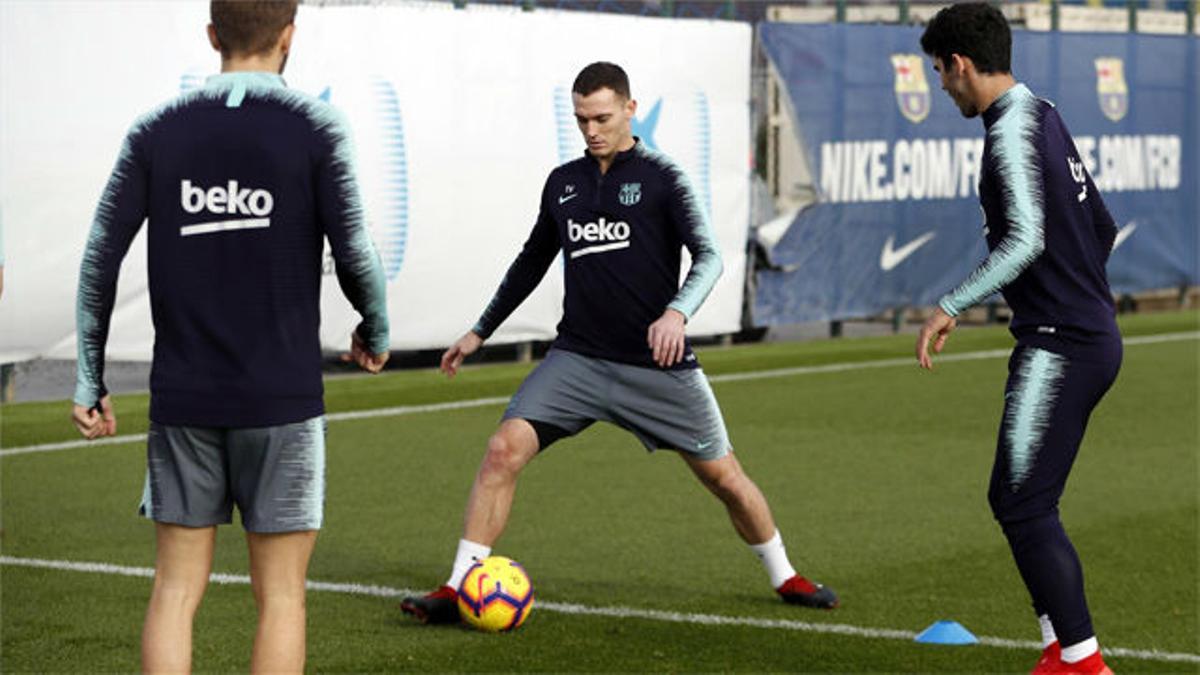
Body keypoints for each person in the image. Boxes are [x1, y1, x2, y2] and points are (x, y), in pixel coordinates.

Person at [401, 62, 837, 625]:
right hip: (577, 359)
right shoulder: (563, 183)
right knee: (502, 451)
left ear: (631, 109)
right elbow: (532, 262)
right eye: (581, 119)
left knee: (723, 477)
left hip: (656, 366)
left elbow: (708, 257)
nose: (591, 130)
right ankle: (459, 587)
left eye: (602, 117)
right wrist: (479, 330)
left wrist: (677, 313)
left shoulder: (662, 177)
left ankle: (785, 575)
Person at [70, 2, 390, 671]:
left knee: (175, 587)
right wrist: (374, 331)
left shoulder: (157, 128)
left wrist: (88, 380)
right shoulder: (317, 127)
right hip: (283, 402)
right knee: (280, 598)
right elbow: (356, 253)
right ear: (289, 36)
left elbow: (100, 255)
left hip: (185, 399)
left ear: (213, 35)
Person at [916, 5, 1120, 674]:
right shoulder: (1045, 112)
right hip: (1086, 333)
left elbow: (1026, 241)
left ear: (962, 65)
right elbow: (1103, 227)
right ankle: (1060, 647)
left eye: (942, 73)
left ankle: (1082, 662)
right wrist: (1081, 291)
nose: (943, 87)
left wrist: (950, 303)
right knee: (1019, 499)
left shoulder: (1008, 134)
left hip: (1062, 342)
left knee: (1025, 502)